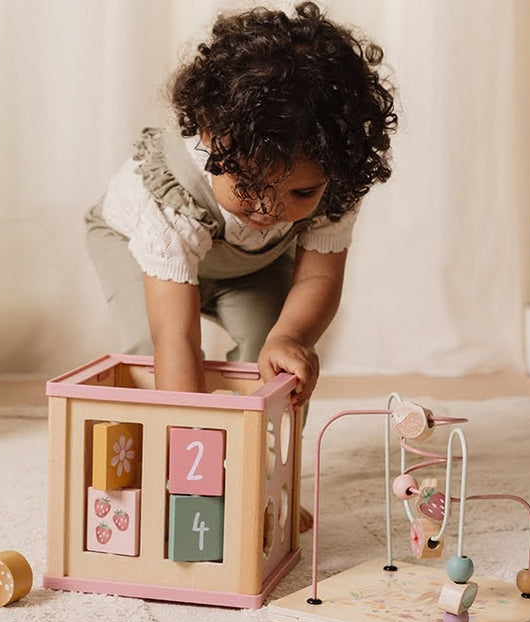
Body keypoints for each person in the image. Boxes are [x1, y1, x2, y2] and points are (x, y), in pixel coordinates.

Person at [86, 3, 395, 528]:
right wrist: (191, 473)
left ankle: (264, 483)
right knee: (145, 352)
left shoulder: (332, 182)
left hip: (247, 264)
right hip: (137, 244)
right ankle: (154, 486)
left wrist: (290, 337)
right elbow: (176, 339)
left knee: (274, 362)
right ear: (209, 137)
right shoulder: (169, 200)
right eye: (249, 187)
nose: (270, 210)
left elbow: (319, 274)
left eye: (298, 191)